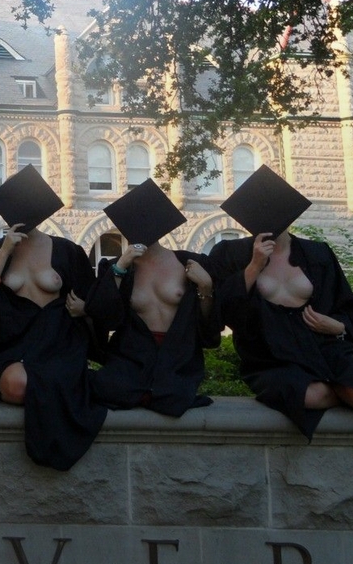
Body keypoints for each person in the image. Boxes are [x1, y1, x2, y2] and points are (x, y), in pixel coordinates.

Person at [0, 166, 105, 470]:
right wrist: (3, 252)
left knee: (42, 383)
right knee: (17, 384)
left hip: (58, 343)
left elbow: (92, 302)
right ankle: (68, 390)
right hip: (12, 345)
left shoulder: (68, 251)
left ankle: (69, 393)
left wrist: (84, 309)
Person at [209, 165, 353, 438]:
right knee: (310, 395)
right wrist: (253, 266)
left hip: (324, 344)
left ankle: (342, 388)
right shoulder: (231, 254)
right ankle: (338, 390)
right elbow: (223, 311)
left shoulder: (318, 254)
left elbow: (346, 305)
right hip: (270, 355)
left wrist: (339, 327)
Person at [85, 180, 220, 417]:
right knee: (108, 389)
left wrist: (206, 285)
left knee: (171, 397)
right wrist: (120, 267)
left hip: (177, 356)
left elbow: (208, 327)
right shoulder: (118, 268)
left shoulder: (189, 263)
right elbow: (103, 317)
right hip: (131, 357)